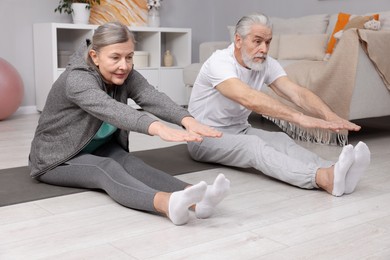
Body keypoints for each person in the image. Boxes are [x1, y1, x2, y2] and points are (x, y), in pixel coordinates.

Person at [28, 22, 231, 226]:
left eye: (129, 57)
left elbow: (149, 95)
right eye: (115, 57)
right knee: (104, 169)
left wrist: (187, 120)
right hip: (55, 158)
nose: (124, 65)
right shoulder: (77, 79)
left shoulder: (124, 73)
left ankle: (198, 200)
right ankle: (167, 204)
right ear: (94, 56)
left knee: (131, 163)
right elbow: (112, 109)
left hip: (98, 147)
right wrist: (158, 128)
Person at [187, 13, 371, 197]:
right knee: (253, 146)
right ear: (238, 40)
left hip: (239, 129)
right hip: (203, 136)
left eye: (267, 42)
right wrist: (299, 117)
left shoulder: (264, 63)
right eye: (257, 41)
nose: (264, 49)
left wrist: (328, 115)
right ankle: (322, 178)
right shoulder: (219, 62)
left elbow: (297, 93)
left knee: (281, 140)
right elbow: (248, 97)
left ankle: (335, 170)